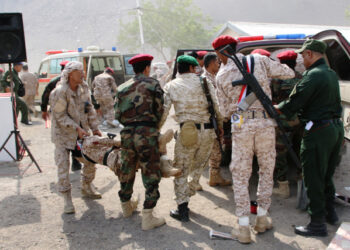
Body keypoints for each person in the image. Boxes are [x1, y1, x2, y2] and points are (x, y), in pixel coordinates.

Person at [213, 35, 295, 244]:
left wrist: (240, 103)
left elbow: (223, 112)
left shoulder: (221, 74)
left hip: (241, 126)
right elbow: (289, 73)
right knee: (266, 171)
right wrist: (265, 76)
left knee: (241, 176)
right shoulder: (259, 60)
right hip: (266, 124)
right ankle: (261, 218)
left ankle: (243, 228)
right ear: (236, 47)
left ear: (219, 52)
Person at [275, 39, 344, 237]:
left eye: (303, 56)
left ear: (310, 54)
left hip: (318, 131)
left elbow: (294, 103)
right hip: (334, 129)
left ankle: (317, 224)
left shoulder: (313, 75)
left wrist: (275, 109)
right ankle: (330, 213)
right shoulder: (330, 74)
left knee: (313, 177)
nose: (301, 60)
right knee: (325, 175)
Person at [159, 55, 223, 222]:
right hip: (208, 132)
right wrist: (221, 127)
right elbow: (217, 107)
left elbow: (163, 112)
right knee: (199, 166)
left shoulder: (171, 85)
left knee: (181, 169)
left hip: (187, 132)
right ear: (192, 68)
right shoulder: (204, 82)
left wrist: (156, 131)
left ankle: (182, 207)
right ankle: (188, 193)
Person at [115, 54, 165, 231]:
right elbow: (159, 110)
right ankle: (148, 216)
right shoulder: (153, 84)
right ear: (147, 68)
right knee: (150, 171)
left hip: (127, 133)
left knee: (127, 169)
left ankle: (126, 207)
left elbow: (117, 115)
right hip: (147, 132)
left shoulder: (122, 88)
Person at [49, 61, 102, 214]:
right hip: (63, 136)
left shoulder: (84, 88)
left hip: (82, 134)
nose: (83, 74)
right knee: (63, 167)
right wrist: (76, 128)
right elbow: (59, 116)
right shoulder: (60, 91)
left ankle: (86, 186)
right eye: (80, 71)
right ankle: (67, 199)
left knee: (91, 159)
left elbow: (89, 108)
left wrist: (95, 128)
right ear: (70, 74)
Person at [189, 53, 231, 188]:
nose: (219, 65)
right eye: (217, 62)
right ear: (211, 63)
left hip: (211, 120)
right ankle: (195, 180)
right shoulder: (205, 80)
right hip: (208, 121)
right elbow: (214, 103)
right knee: (204, 151)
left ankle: (214, 176)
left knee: (216, 149)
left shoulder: (212, 78)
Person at [271, 50, 303, 198]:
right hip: (300, 121)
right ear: (295, 63)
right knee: (300, 150)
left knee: (280, 153)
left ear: (280, 64)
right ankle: (301, 179)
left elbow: (271, 98)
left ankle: (283, 186)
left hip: (283, 121)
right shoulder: (301, 78)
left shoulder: (277, 80)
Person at [41, 60, 82, 172]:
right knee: (65, 144)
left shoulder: (79, 85)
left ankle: (75, 161)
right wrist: (44, 110)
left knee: (75, 141)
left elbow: (44, 95)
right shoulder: (59, 87)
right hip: (64, 120)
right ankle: (72, 163)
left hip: (74, 120)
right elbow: (46, 96)